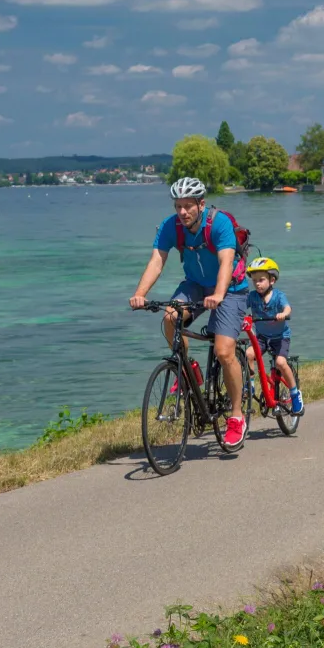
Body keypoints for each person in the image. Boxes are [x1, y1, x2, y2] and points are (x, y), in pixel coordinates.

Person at [129, 177, 250, 449]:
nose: (182, 212)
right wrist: (140, 294)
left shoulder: (219, 224)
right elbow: (157, 261)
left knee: (224, 352)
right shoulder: (170, 226)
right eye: (178, 206)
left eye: (188, 206)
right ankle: (188, 370)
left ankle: (236, 416)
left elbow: (226, 262)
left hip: (230, 287)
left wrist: (219, 295)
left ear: (201, 204)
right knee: (170, 318)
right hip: (195, 285)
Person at [244, 257, 303, 415]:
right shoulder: (252, 297)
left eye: (261, 280)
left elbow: (287, 308)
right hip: (262, 337)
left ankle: (295, 394)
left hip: (280, 337)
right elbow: (241, 307)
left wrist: (283, 314)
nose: (257, 284)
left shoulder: (278, 296)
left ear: (272, 280)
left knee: (280, 362)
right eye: (254, 280)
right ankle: (250, 385)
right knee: (249, 354)